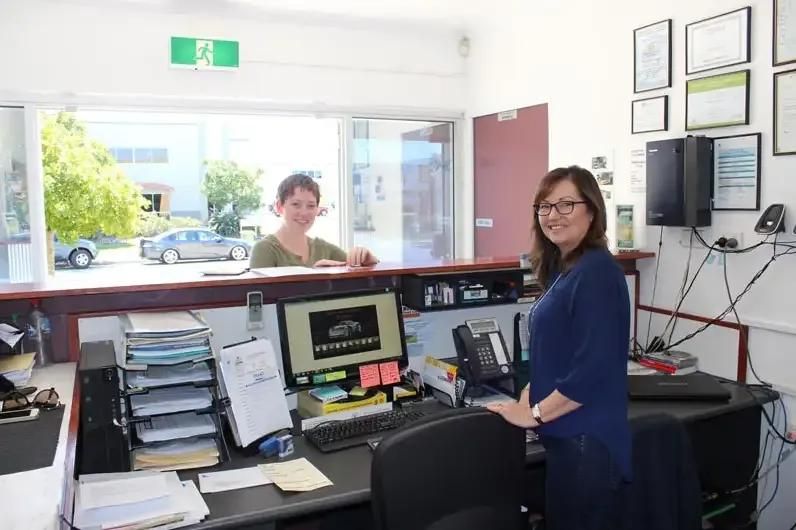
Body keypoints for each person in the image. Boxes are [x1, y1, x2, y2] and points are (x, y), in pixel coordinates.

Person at [487, 165, 631, 530]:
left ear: (592, 210)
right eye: (545, 206)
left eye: (566, 204)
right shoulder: (566, 270)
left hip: (585, 441)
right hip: (568, 436)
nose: (553, 215)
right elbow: (563, 351)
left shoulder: (597, 272)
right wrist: (530, 392)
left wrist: (533, 415)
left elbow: (591, 373)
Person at [249, 174, 378, 268]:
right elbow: (263, 300)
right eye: (296, 204)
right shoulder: (264, 250)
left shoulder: (323, 248)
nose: (304, 213)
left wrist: (366, 257)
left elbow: (368, 269)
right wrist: (316, 274)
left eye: (311, 206)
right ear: (279, 206)